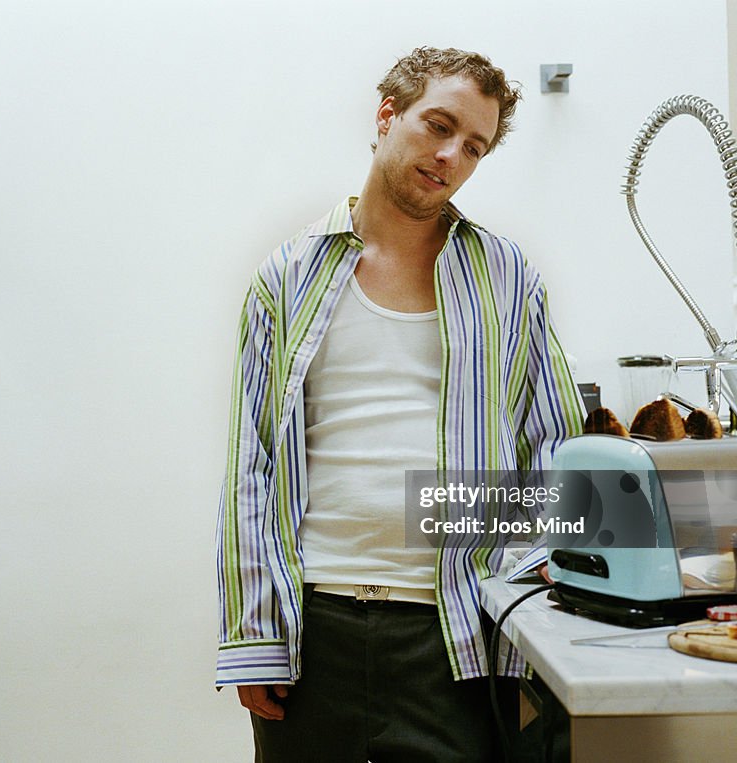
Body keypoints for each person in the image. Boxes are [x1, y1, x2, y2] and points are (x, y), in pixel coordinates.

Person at [215, 46, 584, 762]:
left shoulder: (509, 279)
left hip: (457, 635)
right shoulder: (286, 278)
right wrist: (254, 635)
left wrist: (523, 576)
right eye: (438, 126)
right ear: (388, 114)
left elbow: (556, 446)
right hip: (312, 629)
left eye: (473, 147)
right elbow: (249, 466)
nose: (450, 155)